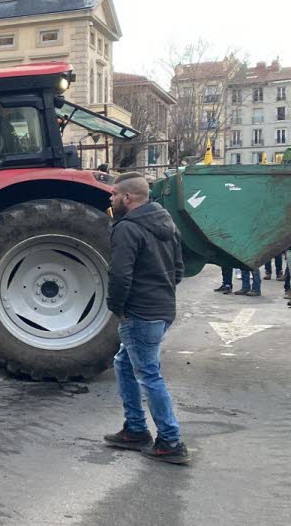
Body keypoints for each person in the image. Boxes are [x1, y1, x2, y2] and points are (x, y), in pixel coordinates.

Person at [103, 172, 189, 465]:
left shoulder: (126, 228)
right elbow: (179, 269)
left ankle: (170, 441)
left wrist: (117, 306)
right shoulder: (166, 223)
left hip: (139, 313)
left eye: (114, 195)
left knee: (149, 375)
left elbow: (120, 275)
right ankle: (136, 429)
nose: (111, 199)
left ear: (128, 198)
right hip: (161, 309)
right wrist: (160, 292)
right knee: (124, 364)